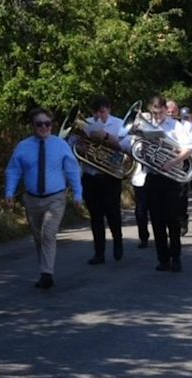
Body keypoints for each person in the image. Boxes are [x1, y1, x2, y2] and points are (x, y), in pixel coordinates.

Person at [5, 108, 82, 289]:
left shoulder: (60, 145)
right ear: (33, 126)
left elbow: (72, 169)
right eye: (39, 124)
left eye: (47, 124)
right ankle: (44, 269)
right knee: (38, 237)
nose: (44, 127)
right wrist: (9, 192)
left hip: (55, 198)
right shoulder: (23, 147)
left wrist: (78, 193)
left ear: (52, 125)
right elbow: (13, 170)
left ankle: (47, 273)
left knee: (48, 234)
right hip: (32, 200)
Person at [146, 95, 192, 272]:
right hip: (152, 176)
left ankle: (176, 257)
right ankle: (163, 259)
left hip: (171, 177)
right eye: (153, 113)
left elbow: (188, 148)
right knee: (157, 220)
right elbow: (134, 145)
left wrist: (171, 162)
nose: (156, 116)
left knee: (172, 219)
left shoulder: (177, 126)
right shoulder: (148, 125)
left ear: (166, 110)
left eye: (159, 112)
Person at [81, 96, 130, 266]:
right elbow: (71, 144)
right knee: (95, 216)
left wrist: (106, 136)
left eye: (102, 111)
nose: (99, 115)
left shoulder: (118, 124)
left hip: (110, 176)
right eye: (96, 112)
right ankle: (99, 253)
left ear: (108, 109)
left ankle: (118, 243)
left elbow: (126, 146)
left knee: (113, 213)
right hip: (90, 176)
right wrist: (82, 146)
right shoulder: (85, 124)